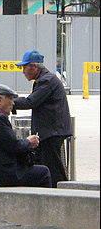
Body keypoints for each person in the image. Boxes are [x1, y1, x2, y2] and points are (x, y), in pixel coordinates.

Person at [13, 50, 72, 187]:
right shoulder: (44, 79)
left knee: (53, 169)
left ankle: (62, 194)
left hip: (52, 133)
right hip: (49, 132)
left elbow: (31, 102)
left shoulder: (46, 80)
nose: (23, 72)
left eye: (24, 67)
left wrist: (9, 102)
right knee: (42, 166)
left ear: (34, 67)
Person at [0, 84, 52, 187]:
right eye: (10, 99)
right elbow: (14, 146)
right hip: (1, 175)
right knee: (43, 172)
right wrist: (28, 142)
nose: (13, 103)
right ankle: (43, 203)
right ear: (0, 100)